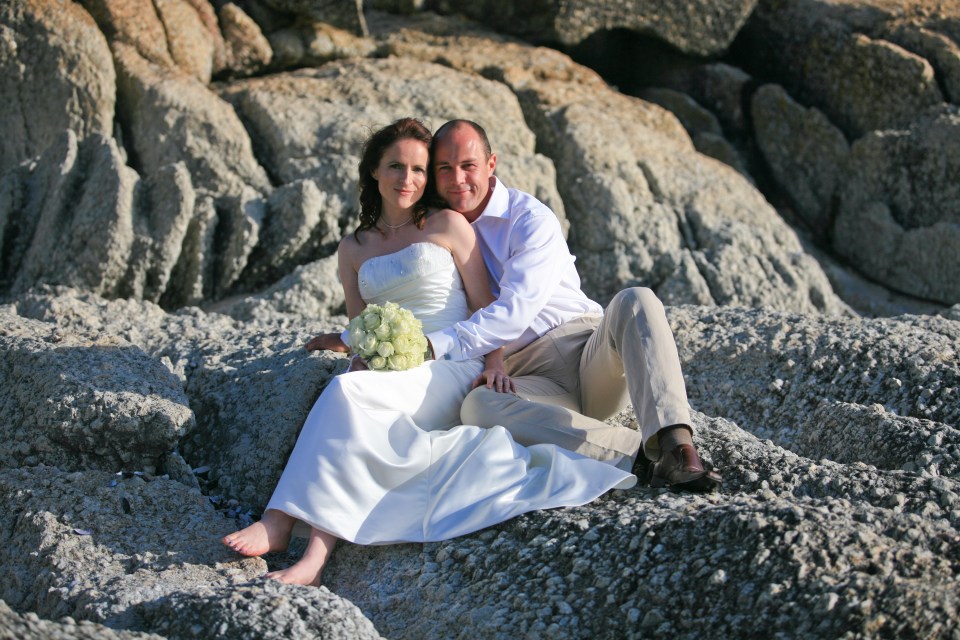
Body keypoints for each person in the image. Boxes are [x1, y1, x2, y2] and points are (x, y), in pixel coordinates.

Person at [222, 118, 635, 586]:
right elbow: (361, 322)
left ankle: (281, 524)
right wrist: (353, 344)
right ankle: (312, 555)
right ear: (373, 173)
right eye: (396, 166)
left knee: (347, 395)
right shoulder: (352, 248)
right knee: (348, 388)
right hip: (395, 361)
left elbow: (486, 304)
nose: (408, 179)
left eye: (419, 169)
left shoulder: (448, 224)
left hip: (452, 361)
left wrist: (495, 363)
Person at [424, 119, 722, 491]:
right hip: (528, 378)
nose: (457, 179)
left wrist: (435, 345)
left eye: (468, 165)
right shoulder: (433, 229)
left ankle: (677, 445)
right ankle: (639, 460)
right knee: (478, 407)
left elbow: (515, 311)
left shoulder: (529, 219)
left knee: (636, 299)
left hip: (586, 353)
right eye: (444, 168)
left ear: (491, 164)